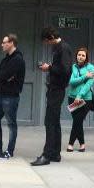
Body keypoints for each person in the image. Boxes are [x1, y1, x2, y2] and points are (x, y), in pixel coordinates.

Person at [32, 26, 73, 166]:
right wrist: (50, 67)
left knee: (49, 121)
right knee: (54, 122)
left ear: (51, 37)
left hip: (57, 89)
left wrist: (49, 68)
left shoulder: (63, 48)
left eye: (46, 41)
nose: (46, 44)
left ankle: (47, 155)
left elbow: (66, 70)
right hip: (55, 89)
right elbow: (62, 68)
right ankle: (55, 153)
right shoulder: (59, 48)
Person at [0, 33, 25, 159]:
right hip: (1, 94)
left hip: (11, 96)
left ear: (12, 43)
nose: (2, 45)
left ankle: (10, 151)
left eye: (4, 42)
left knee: (11, 123)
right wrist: (4, 77)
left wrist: (3, 76)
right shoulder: (6, 58)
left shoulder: (18, 59)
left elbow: (3, 74)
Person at [66, 46, 94, 152]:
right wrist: (84, 77)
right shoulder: (72, 67)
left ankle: (70, 144)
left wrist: (79, 95)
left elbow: (89, 84)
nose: (81, 57)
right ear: (76, 56)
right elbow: (71, 81)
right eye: (79, 55)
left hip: (85, 99)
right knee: (77, 121)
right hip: (72, 98)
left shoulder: (91, 68)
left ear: (86, 57)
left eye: (83, 55)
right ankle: (82, 144)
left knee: (77, 121)